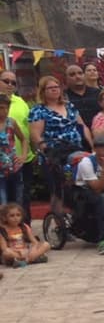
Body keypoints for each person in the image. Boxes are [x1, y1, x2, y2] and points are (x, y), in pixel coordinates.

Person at [28, 75, 93, 217]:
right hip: (54, 153)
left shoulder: (69, 106)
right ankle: (59, 222)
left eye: (56, 87)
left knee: (78, 185)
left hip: (75, 150)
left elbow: (82, 126)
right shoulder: (38, 110)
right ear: (43, 91)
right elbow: (35, 134)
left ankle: (80, 218)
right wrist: (44, 148)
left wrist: (92, 145)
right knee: (58, 189)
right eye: (50, 88)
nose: (54, 90)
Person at [0, 72, 33, 220]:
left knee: (20, 201)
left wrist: (24, 155)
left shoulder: (19, 103)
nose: (10, 85)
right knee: (3, 202)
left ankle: (23, 232)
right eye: (6, 81)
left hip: (17, 165)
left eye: (13, 82)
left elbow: (25, 135)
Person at [1, 202, 48, 267]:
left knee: (46, 244)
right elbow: (4, 248)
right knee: (6, 253)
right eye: (12, 216)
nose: (15, 218)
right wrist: (18, 251)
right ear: (5, 218)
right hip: (15, 253)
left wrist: (33, 250)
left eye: (18, 215)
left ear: (21, 216)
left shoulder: (24, 227)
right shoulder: (2, 231)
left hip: (26, 251)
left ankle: (26, 261)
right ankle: (34, 259)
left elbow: (35, 242)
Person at [0, 94, 25, 206]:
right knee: (3, 201)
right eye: (1, 108)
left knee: (17, 201)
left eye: (7, 108)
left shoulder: (11, 122)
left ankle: (18, 223)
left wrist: (23, 156)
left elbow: (23, 139)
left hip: (13, 168)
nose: (4, 111)